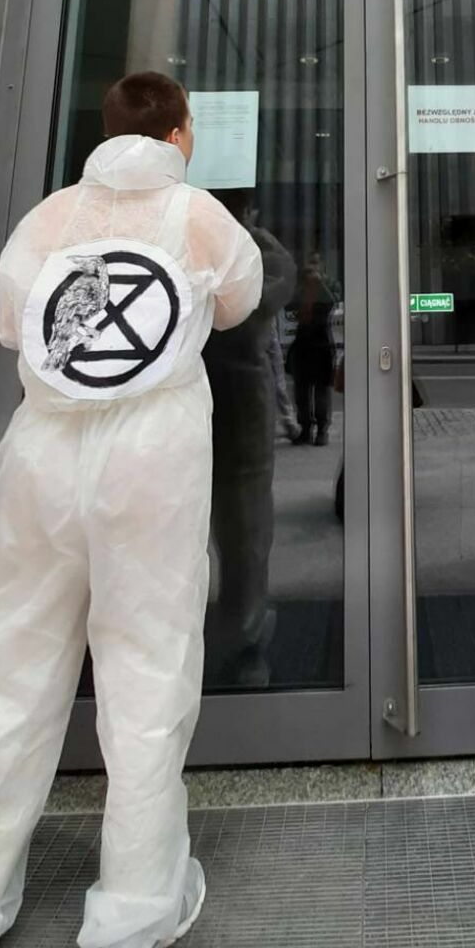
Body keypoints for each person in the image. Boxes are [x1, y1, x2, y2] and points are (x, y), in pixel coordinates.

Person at [0, 73, 263, 948]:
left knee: (4, 674)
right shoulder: (199, 216)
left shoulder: (49, 217)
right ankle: (135, 925)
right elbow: (239, 302)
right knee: (146, 678)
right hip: (153, 459)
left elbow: (9, 324)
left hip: (43, 453)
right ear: (179, 134)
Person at [204, 192, 297, 688]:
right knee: (231, 528)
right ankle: (233, 637)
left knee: (245, 529)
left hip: (237, 399)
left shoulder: (255, 250)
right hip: (202, 395)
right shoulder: (209, 239)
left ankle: (243, 638)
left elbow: (277, 283)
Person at [287, 251, 337, 446]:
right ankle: (305, 428)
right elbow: (289, 305)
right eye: (310, 264)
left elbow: (331, 302)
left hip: (322, 343)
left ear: (322, 266)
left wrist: (319, 283)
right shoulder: (301, 286)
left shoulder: (329, 284)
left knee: (321, 391)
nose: (312, 268)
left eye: (316, 263)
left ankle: (322, 429)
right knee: (301, 391)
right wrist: (302, 284)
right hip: (303, 342)